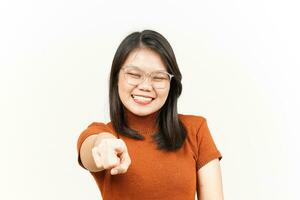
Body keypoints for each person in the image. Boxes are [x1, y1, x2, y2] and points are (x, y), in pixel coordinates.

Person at [76, 30, 224, 200]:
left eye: (158, 77)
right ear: (116, 77)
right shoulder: (105, 134)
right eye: (133, 74)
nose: (146, 86)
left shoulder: (196, 130)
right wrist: (104, 144)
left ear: (171, 83)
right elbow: (92, 147)